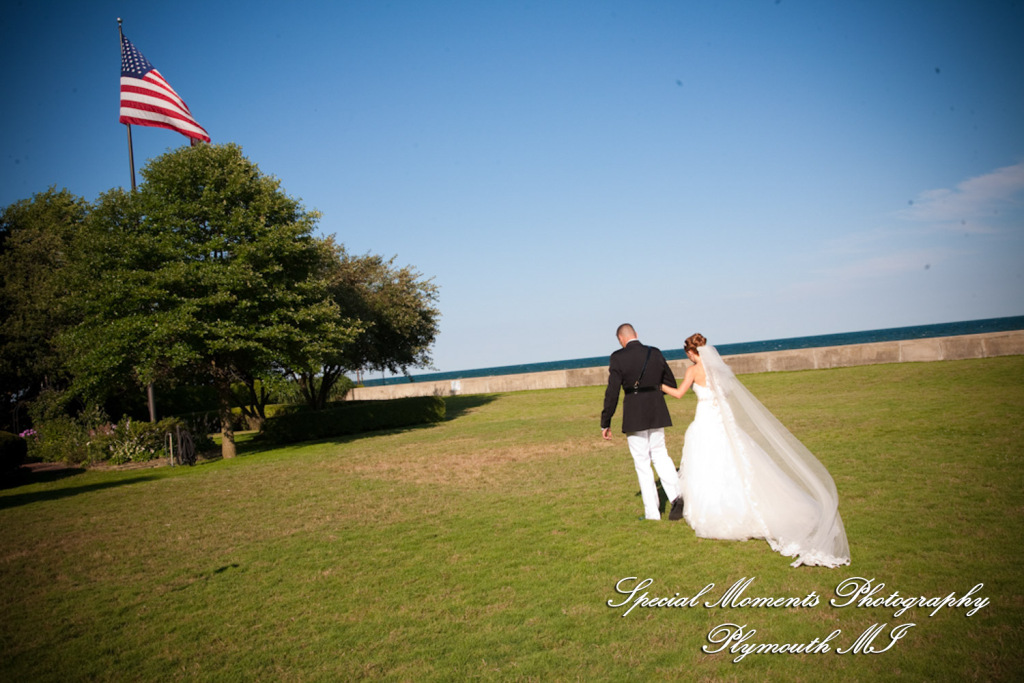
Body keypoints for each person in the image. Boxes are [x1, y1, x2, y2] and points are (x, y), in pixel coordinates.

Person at [662, 333, 850, 567]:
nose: (688, 357)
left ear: (692, 353)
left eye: (688, 354)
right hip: (721, 420)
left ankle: (715, 509)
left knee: (706, 462)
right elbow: (727, 394)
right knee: (732, 460)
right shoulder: (718, 370)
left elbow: (679, 393)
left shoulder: (693, 371)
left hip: (704, 420)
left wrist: (659, 386)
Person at [601, 323, 680, 520]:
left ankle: (652, 513)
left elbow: (612, 392)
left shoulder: (617, 357)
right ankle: (677, 500)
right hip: (656, 410)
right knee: (661, 455)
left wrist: (606, 421)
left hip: (634, 413)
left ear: (621, 339)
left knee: (642, 463)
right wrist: (653, 394)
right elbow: (671, 383)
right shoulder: (655, 352)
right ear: (636, 334)